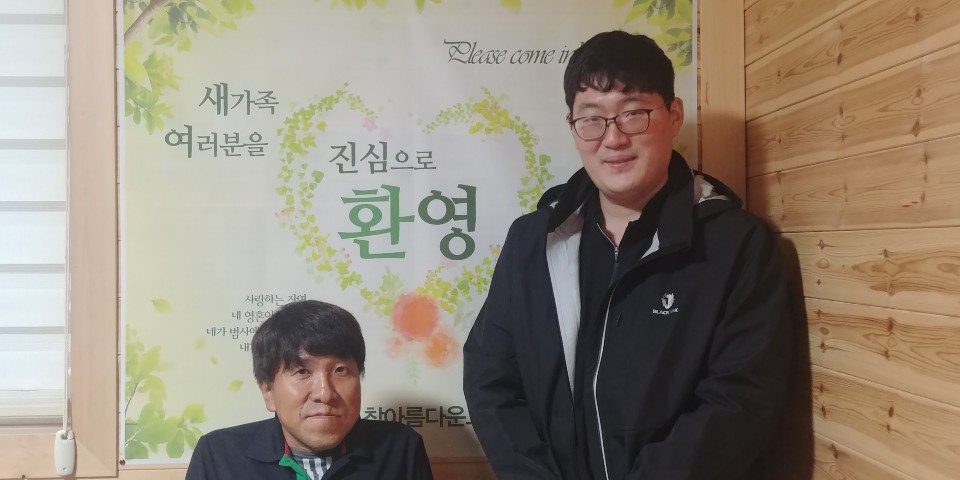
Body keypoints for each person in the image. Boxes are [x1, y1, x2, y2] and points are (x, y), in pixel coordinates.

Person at [463, 30, 793, 480]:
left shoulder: (736, 244)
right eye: (592, 119)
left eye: (634, 113)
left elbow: (741, 400)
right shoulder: (532, 241)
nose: (613, 138)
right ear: (573, 127)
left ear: (673, 116)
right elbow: (490, 378)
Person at [186, 300, 434, 479]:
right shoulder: (219, 454)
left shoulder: (400, 448)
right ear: (268, 392)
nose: (325, 393)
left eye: (340, 370)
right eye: (302, 372)